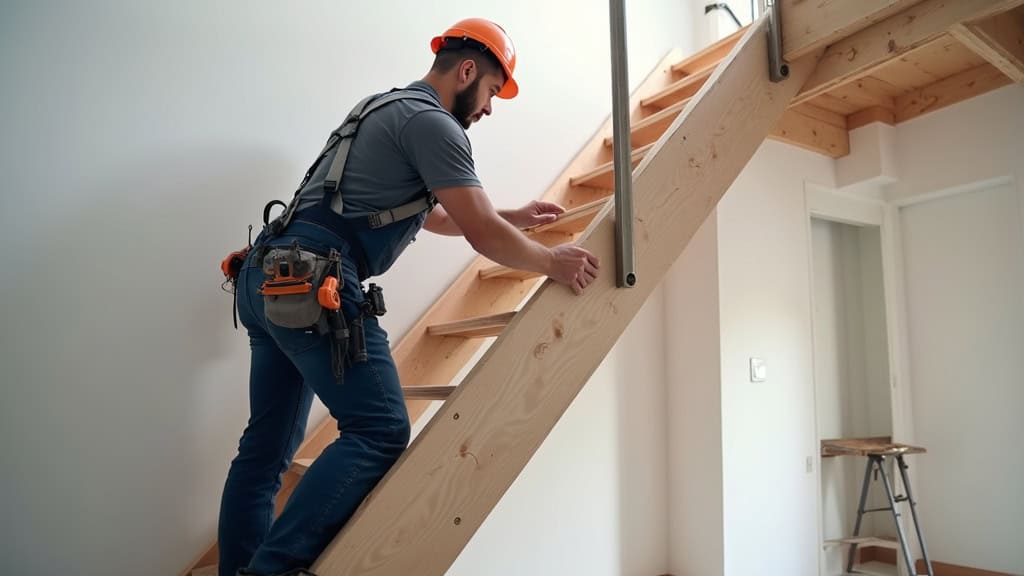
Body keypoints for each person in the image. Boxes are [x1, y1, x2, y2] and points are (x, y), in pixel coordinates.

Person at [217, 17, 600, 576]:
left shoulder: (381, 106)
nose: (490, 107)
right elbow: (480, 232)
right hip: (314, 277)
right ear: (467, 70)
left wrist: (509, 214)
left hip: (266, 275)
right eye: (493, 90)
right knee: (380, 429)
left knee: (265, 450)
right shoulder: (436, 125)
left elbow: (432, 213)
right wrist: (551, 262)